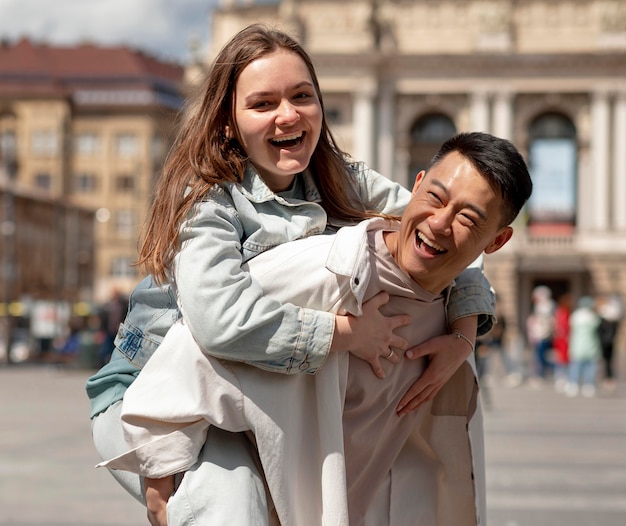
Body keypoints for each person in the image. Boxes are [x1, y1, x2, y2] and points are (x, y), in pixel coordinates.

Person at [86, 25, 495, 525]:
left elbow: (443, 231)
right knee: (236, 510)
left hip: (255, 400)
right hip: (157, 396)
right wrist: (347, 333)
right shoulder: (208, 199)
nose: (288, 115)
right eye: (263, 104)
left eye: (302, 96)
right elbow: (220, 319)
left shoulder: (339, 176)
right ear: (228, 123)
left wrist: (463, 334)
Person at [566, 296, 601, 397]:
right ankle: (588, 385)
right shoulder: (592, 316)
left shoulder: (575, 316)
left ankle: (574, 384)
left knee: (576, 366)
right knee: (588, 367)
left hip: (579, 345)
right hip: (589, 345)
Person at [526, 285, 555, 381]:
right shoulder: (539, 306)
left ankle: (545, 373)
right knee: (538, 355)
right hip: (537, 334)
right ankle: (540, 373)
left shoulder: (547, 306)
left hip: (543, 334)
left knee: (542, 355)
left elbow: (547, 321)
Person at [597, 293, 622, 391]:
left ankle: (608, 377)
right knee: (606, 360)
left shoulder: (609, 316)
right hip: (606, 341)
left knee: (608, 360)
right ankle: (606, 377)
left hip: (607, 342)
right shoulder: (606, 315)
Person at [553, 293, 572, 392]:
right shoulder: (562, 312)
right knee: (561, 359)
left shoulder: (562, 312)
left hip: (563, 340)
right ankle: (561, 378)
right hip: (562, 340)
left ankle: (563, 378)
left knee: (564, 360)